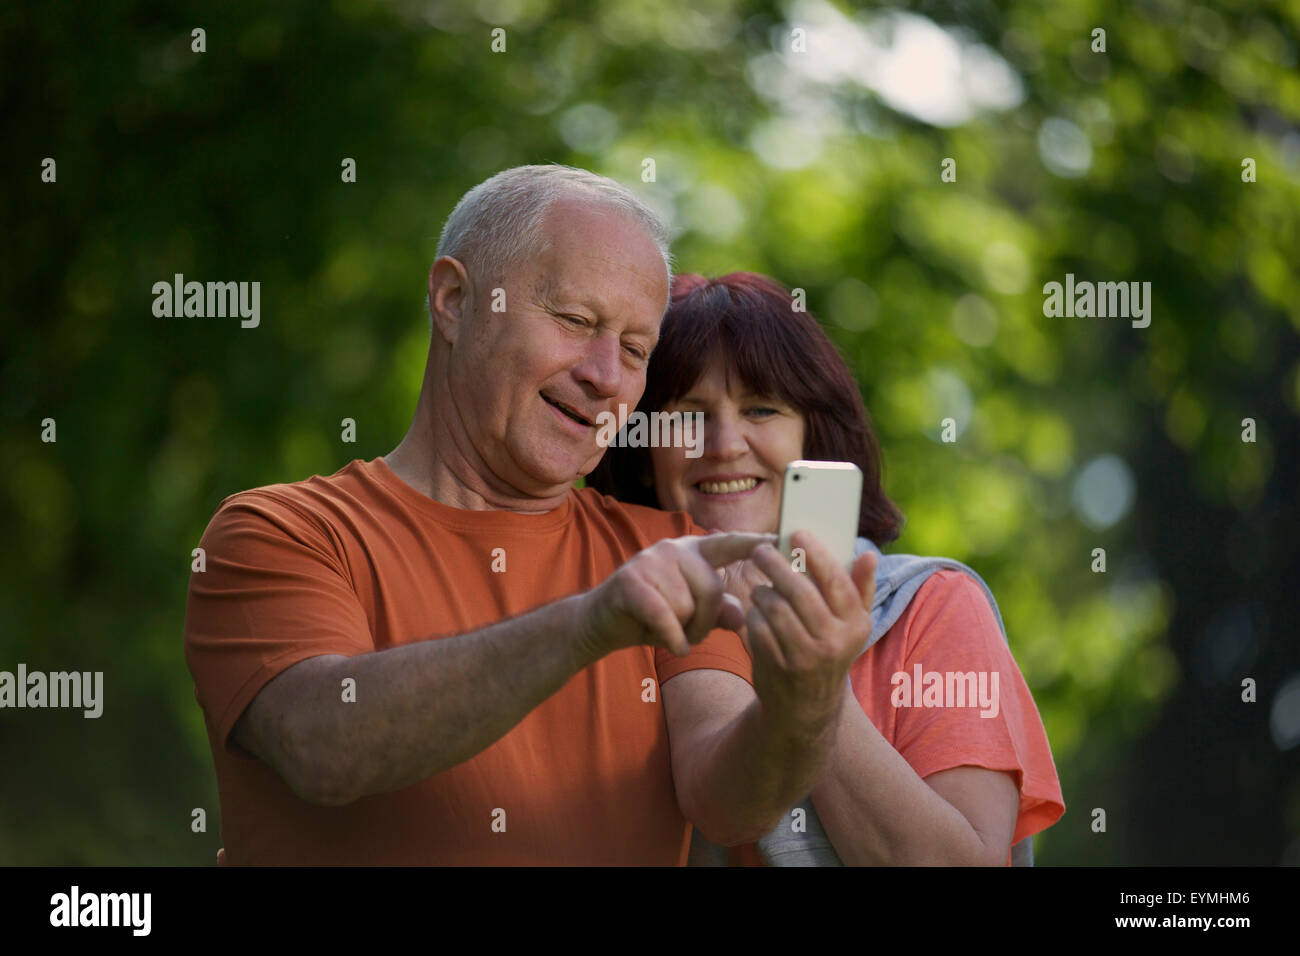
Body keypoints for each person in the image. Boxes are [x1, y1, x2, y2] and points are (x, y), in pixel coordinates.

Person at [182, 165, 883, 865]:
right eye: (577, 321)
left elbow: (730, 804)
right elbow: (323, 746)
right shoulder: (283, 533)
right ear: (455, 300)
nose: (605, 375)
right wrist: (589, 623)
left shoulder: (669, 546)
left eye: (635, 351)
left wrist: (806, 698)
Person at [587, 272, 1066, 865]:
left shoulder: (931, 605)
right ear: (641, 452)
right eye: (688, 415)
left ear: (815, 442)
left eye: (761, 409)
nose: (724, 443)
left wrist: (811, 678)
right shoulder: (603, 617)